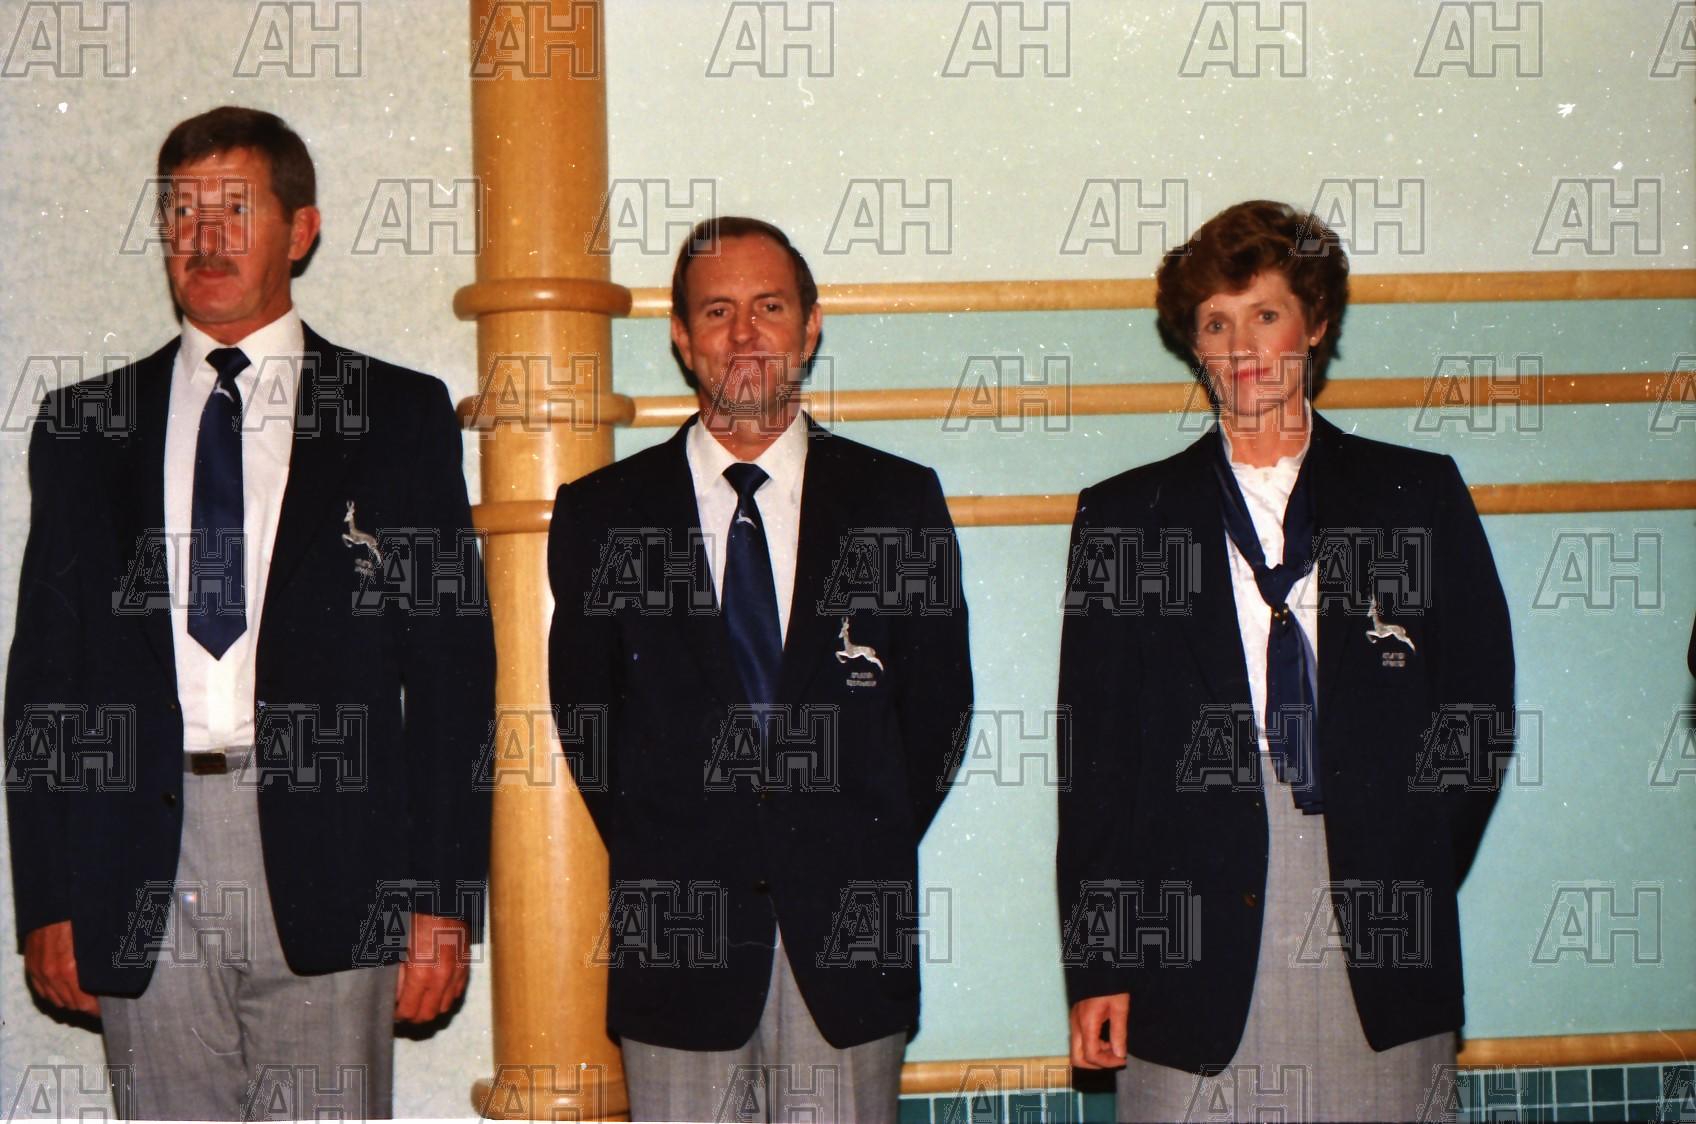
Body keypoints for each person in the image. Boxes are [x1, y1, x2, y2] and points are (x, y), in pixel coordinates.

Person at [3, 106, 494, 1119]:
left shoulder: (394, 416)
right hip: (141, 851)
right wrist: (47, 897)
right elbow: (45, 675)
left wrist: (443, 900)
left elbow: (452, 676)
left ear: (299, 230)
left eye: (234, 209)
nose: (204, 237)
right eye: (181, 211)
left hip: (338, 846)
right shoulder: (86, 428)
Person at [1057, 200, 1514, 1121]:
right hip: (1185, 936)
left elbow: (1478, 713)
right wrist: (1101, 959)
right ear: (1193, 346)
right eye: (1215, 324)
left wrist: (1407, 852)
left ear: (1316, 324)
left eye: (1265, 314)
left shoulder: (1413, 495)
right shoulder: (1125, 517)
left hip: (1378, 921)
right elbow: (1097, 765)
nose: (1243, 348)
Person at [548, 216, 972, 1122]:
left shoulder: (896, 502)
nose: (744, 334)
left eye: (769, 307)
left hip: (848, 941)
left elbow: (939, 715)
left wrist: (848, 839)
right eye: (717, 311)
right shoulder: (604, 513)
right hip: (679, 942)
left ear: (810, 327)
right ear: (681, 337)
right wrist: (681, 842)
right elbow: (588, 722)